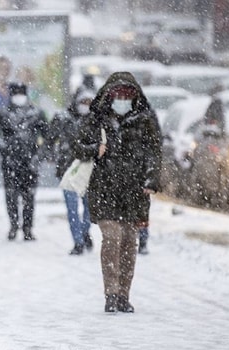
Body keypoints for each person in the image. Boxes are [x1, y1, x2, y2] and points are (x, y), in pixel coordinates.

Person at [71, 71, 161, 313]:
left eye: (127, 96)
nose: (122, 100)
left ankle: (124, 295)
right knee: (112, 238)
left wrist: (151, 179)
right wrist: (95, 150)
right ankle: (110, 293)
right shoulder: (96, 119)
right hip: (104, 190)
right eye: (118, 95)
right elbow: (77, 146)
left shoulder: (145, 120)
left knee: (130, 242)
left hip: (134, 192)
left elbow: (154, 152)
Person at [0, 82, 49, 241]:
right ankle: (14, 225)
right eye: (16, 93)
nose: (19, 96)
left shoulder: (36, 112)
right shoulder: (3, 113)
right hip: (10, 162)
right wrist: (4, 149)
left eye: (21, 93)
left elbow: (47, 136)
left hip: (30, 161)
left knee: (29, 197)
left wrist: (39, 155)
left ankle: (28, 228)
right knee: (11, 196)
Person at [50, 88, 95, 255]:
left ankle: (84, 232)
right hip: (68, 169)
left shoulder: (98, 121)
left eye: (89, 103)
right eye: (83, 102)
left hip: (89, 171)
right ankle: (78, 241)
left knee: (89, 208)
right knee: (72, 208)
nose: (86, 106)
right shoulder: (62, 118)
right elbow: (50, 138)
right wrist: (49, 154)